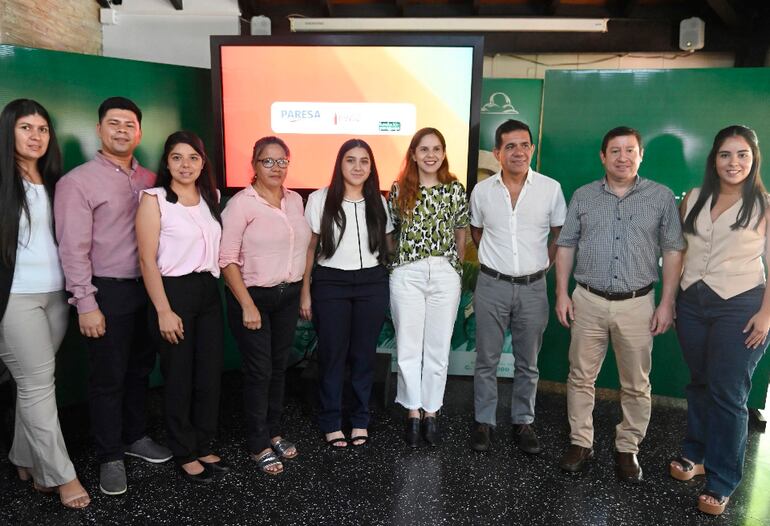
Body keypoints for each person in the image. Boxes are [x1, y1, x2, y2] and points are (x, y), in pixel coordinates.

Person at [55, 97, 172, 496]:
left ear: (139, 132)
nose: (122, 130)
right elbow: (72, 249)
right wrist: (86, 303)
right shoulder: (78, 182)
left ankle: (135, 437)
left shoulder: (152, 179)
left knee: (140, 369)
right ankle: (109, 456)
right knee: (107, 378)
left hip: (149, 290)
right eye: (114, 123)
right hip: (107, 291)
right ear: (99, 129)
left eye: (129, 124)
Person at [554, 126, 684, 482]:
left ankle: (628, 448)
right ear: (603, 156)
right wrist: (562, 293)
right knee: (580, 377)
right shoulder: (583, 196)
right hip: (587, 300)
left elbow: (674, 250)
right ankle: (581, 442)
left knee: (636, 383)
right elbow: (566, 245)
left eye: (630, 150)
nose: (622, 157)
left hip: (637, 304)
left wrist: (666, 302)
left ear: (641, 155)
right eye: (615, 151)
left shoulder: (660, 196)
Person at [670, 125, 769, 516]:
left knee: (729, 394)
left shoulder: (764, 204)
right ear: (714, 159)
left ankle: (722, 479)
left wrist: (766, 314)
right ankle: (695, 455)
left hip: (741, 305)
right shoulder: (693, 198)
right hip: (692, 302)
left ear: (753, 159)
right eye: (726, 154)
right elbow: (678, 252)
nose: (734, 162)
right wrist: (670, 300)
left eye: (742, 154)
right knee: (700, 383)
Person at [0, 99, 90, 509]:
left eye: (42, 129)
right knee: (38, 385)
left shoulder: (56, 180)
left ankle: (23, 456)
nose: (35, 136)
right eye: (25, 128)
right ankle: (60, 475)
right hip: (15, 300)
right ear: (9, 131)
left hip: (57, 296)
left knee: (31, 385)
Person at [136, 131, 229, 484]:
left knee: (208, 374)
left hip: (207, 290)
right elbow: (146, 260)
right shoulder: (155, 199)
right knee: (179, 376)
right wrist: (163, 310)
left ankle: (203, 443)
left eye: (193, 157)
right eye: (177, 157)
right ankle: (184, 450)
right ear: (167, 162)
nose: (185, 164)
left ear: (202, 162)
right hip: (172, 293)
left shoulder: (212, 197)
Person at [469, 119, 566, 453]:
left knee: (529, 362)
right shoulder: (482, 191)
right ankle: (484, 421)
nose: (518, 152)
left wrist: (541, 266)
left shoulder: (550, 189)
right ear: (497, 152)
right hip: (492, 284)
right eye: (510, 146)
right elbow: (477, 233)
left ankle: (523, 421)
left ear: (532, 149)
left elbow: (559, 236)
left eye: (524, 145)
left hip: (533, 288)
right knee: (486, 359)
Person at [220, 136, 311, 475]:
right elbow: (227, 260)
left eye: (281, 161)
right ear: (254, 166)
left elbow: (301, 251)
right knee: (259, 371)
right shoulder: (241, 204)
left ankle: (273, 431)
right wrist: (246, 305)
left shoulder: (295, 201)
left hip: (286, 296)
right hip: (252, 298)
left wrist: (302, 291)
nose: (276, 168)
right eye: (267, 161)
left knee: (277, 366)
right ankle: (257, 443)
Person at [301, 139, 392, 449]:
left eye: (363, 161)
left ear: (371, 167)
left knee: (364, 356)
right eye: (350, 160)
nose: (357, 166)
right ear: (340, 164)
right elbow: (309, 249)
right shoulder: (319, 199)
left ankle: (360, 419)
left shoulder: (379, 201)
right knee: (332, 355)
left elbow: (387, 246)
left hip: (372, 283)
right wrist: (305, 293)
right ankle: (330, 420)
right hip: (330, 284)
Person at [388, 127, 469, 447]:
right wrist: (398, 263)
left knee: (437, 348)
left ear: (444, 153)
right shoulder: (399, 189)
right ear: (413, 154)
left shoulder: (454, 189)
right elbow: (391, 233)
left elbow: (461, 230)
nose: (431, 155)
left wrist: (455, 268)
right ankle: (411, 411)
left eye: (437, 149)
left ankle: (431, 412)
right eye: (424, 149)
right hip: (407, 273)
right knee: (408, 347)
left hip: (445, 273)